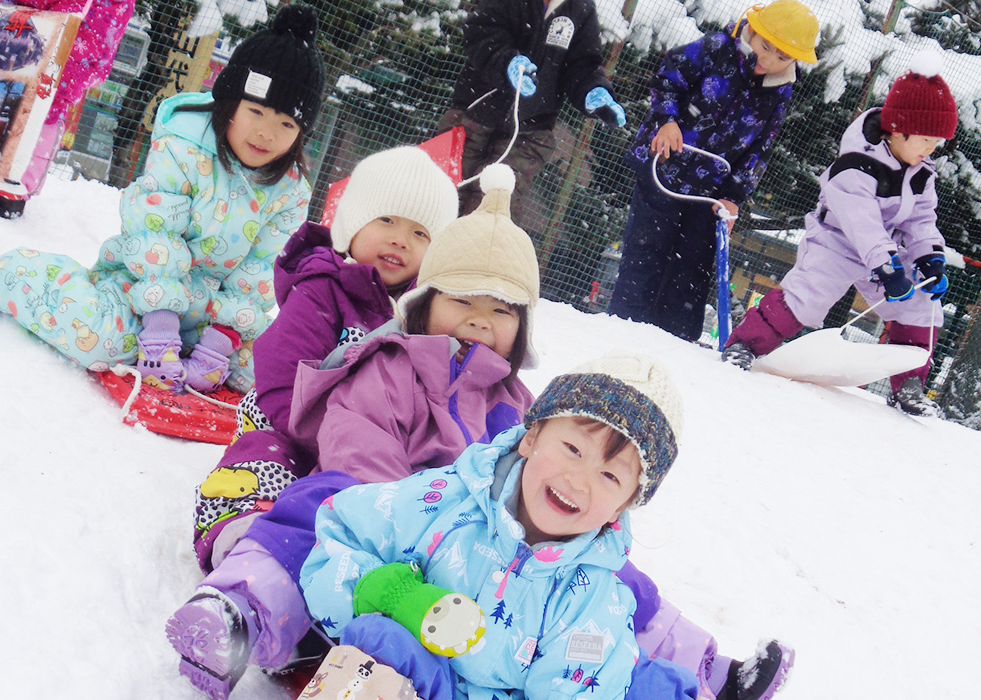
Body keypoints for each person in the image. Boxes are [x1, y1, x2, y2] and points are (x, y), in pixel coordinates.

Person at [165, 163, 541, 700]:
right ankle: (245, 603)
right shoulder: (376, 342)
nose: (480, 319)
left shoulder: (514, 407)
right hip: (324, 452)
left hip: (440, 536)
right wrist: (392, 511)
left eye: (501, 309)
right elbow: (328, 416)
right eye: (462, 300)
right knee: (310, 500)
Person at [299, 353, 700, 700]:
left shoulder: (591, 600)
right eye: (573, 449)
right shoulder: (445, 500)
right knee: (380, 639)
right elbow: (341, 532)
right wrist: (380, 589)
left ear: (623, 507)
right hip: (401, 680)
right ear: (531, 438)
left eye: (610, 476)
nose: (578, 482)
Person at [0, 5, 324, 394]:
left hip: (213, 318)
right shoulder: (184, 149)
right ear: (230, 102)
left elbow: (259, 273)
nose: (267, 133)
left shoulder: (290, 192)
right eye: (256, 111)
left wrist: (216, 349)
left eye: (286, 124)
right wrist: (160, 332)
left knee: (266, 376)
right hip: (141, 291)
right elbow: (155, 236)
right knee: (100, 340)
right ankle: (7, 274)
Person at [193, 145, 459, 572]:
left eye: (420, 234)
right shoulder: (322, 289)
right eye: (386, 220)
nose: (400, 239)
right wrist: (334, 441)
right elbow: (281, 376)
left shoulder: (425, 317)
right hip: (291, 423)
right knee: (261, 458)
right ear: (353, 223)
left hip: (370, 447)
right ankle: (247, 532)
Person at [720, 52, 957, 418]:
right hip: (838, 241)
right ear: (899, 130)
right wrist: (887, 267)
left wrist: (929, 257)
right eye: (927, 139)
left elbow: (922, 219)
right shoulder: (856, 165)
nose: (931, 149)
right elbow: (861, 223)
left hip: (886, 248)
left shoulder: (920, 171)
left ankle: (910, 384)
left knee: (921, 303)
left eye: (936, 143)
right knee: (808, 295)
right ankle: (745, 346)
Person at [608, 0, 819, 342]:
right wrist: (667, 121)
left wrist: (734, 196)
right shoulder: (717, 48)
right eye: (766, 46)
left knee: (692, 269)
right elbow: (667, 78)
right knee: (646, 254)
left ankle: (674, 344)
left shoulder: (781, 90)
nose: (768, 60)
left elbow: (761, 146)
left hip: (711, 192)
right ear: (754, 31)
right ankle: (622, 331)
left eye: (782, 57)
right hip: (664, 167)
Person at [435, 0, 627, 216]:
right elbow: (481, 30)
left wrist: (593, 90)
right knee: (440, 196)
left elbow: (583, 64)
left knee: (494, 211)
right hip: (472, 115)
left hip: (529, 133)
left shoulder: (580, 8)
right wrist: (507, 63)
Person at [0, 0, 136, 218]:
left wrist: (54, 87)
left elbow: (92, 47)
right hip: (15, 76)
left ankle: (4, 195)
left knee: (6, 190)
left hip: (40, 103)